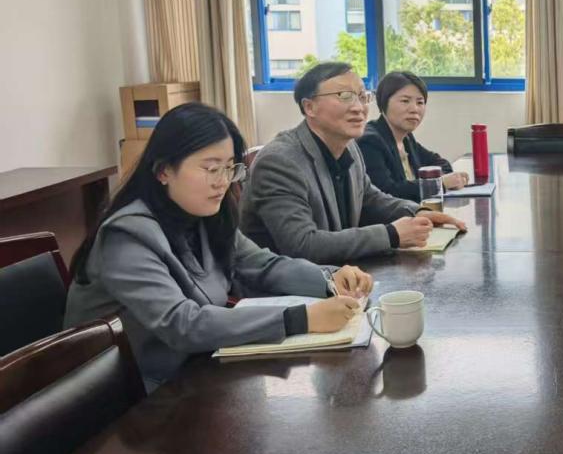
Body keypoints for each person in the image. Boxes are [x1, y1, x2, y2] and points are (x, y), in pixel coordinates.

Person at [64, 103, 374, 392]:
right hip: (132, 395)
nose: (223, 182)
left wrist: (330, 280)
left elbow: (263, 265)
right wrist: (300, 318)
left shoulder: (202, 213)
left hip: (195, 371)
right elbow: (182, 324)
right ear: (163, 171)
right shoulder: (127, 235)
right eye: (211, 169)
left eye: (229, 168)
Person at [240, 62, 465, 263]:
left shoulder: (349, 146)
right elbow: (302, 245)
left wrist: (418, 212)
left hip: (342, 274)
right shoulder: (280, 161)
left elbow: (370, 198)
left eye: (362, 96)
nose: (359, 107)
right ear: (309, 107)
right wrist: (392, 234)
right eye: (344, 96)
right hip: (286, 288)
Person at [358, 70, 470, 202]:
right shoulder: (370, 141)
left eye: (420, 102)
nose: (414, 109)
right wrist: (439, 184)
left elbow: (442, 164)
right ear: (384, 103)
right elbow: (387, 193)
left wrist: (441, 180)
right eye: (405, 101)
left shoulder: (406, 138)